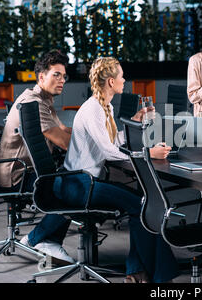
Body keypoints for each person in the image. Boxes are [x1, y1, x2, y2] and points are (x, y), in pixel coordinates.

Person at [56, 57, 179, 283]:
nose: (125, 80)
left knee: (143, 201)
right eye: (122, 76)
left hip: (83, 181)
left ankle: (138, 271)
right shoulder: (94, 108)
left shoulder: (105, 106)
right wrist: (148, 155)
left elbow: (112, 141)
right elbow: (107, 151)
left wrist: (134, 120)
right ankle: (152, 275)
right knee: (143, 203)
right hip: (79, 184)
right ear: (111, 82)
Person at [0, 50, 74, 264]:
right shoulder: (34, 102)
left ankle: (50, 241)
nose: (62, 80)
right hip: (17, 176)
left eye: (64, 76)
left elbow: (64, 130)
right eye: (56, 74)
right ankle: (37, 238)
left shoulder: (43, 98)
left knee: (71, 178)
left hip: (24, 170)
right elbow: (64, 143)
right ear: (41, 77)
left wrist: (94, 133)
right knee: (73, 187)